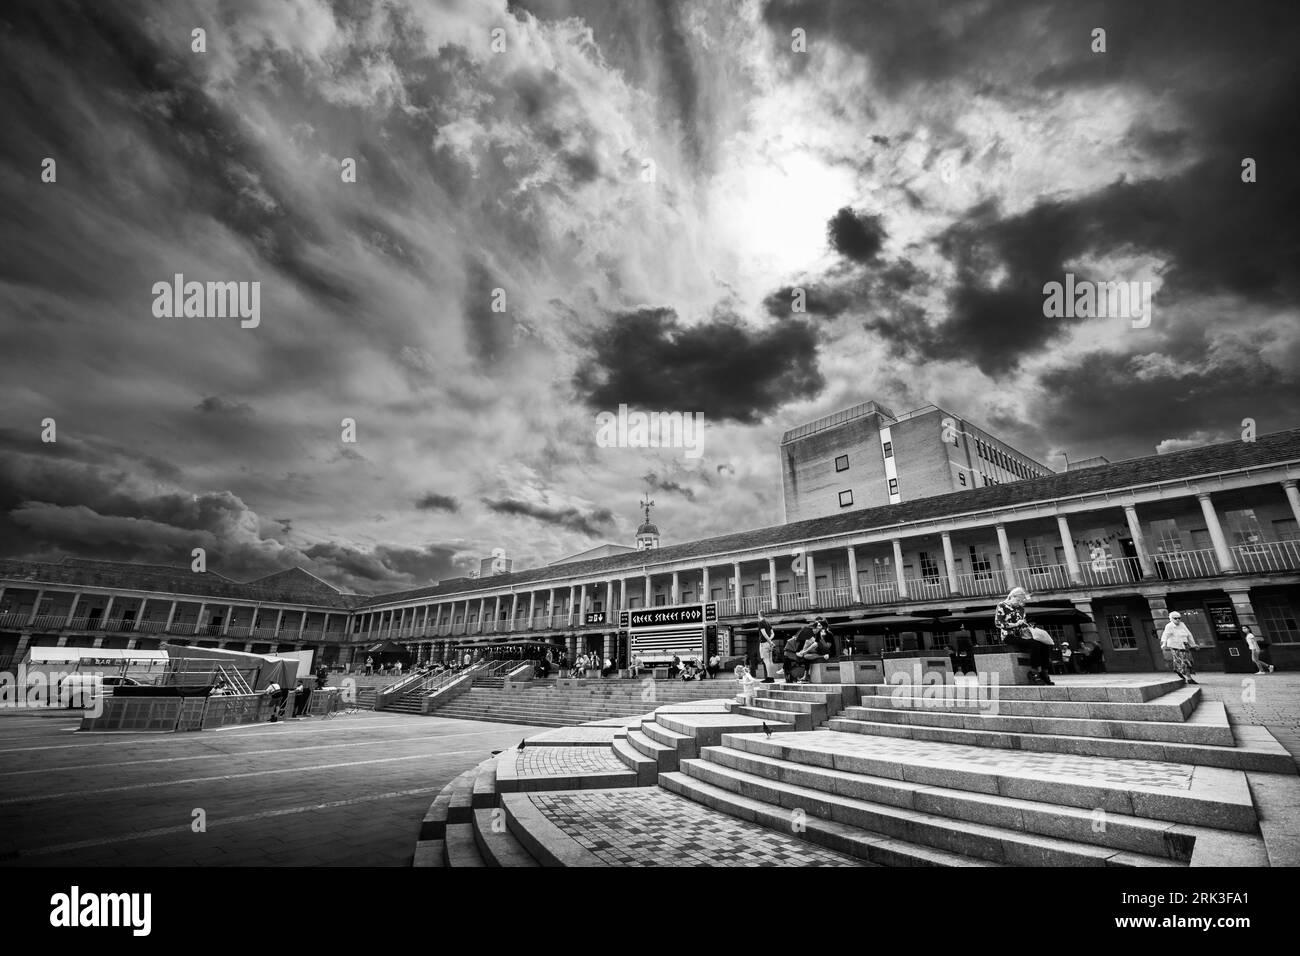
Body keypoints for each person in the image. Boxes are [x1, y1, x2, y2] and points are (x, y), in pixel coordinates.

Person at [993, 587, 1054, 685]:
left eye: (1021, 601)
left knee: (1044, 644)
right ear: (1012, 596)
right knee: (1034, 643)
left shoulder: (1021, 609)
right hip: (1009, 636)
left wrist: (1028, 626)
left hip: (1022, 635)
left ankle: (1044, 672)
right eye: (1018, 600)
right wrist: (1016, 624)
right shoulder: (1002, 605)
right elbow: (998, 623)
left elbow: (1023, 622)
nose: (1020, 602)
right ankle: (1034, 673)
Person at [1160, 611, 1200, 683]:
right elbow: (1165, 635)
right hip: (1175, 646)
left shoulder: (1182, 625)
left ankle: (1178, 670)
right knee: (1184, 662)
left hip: (1185, 645)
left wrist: (1193, 644)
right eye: (1175, 618)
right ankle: (1189, 678)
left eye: (1179, 618)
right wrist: (1164, 644)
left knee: (1189, 661)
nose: (1178, 619)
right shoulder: (1169, 626)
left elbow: (1189, 634)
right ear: (1171, 619)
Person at [756, 614, 777, 682]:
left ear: (759, 616)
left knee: (766, 660)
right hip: (769, 644)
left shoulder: (761, 622)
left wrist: (769, 641)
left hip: (764, 643)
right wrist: (770, 641)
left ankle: (769, 678)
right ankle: (772, 677)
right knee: (770, 661)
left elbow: (764, 633)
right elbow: (773, 634)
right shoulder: (768, 623)